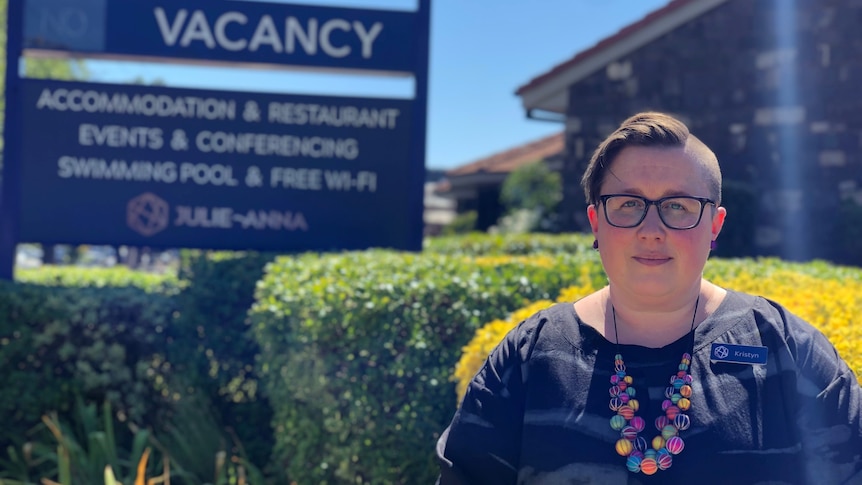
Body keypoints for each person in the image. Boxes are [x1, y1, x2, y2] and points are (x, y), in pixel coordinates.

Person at [435, 112, 862, 484]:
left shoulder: (785, 349)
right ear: (595, 223)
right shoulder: (530, 358)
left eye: (678, 206)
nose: (651, 229)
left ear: (714, 225)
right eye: (626, 204)